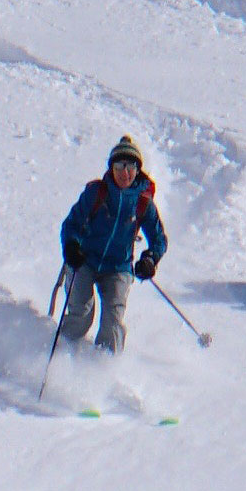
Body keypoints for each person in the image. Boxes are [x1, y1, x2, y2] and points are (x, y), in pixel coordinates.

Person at [56, 135, 168, 353]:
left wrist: (150, 259)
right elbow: (72, 223)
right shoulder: (96, 193)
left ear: (137, 170)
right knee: (81, 313)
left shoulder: (143, 202)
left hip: (118, 267)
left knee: (113, 321)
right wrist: (71, 246)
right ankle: (61, 356)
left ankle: (103, 370)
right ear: (111, 168)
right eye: (119, 166)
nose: (124, 172)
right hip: (85, 261)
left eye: (130, 166)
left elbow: (158, 238)